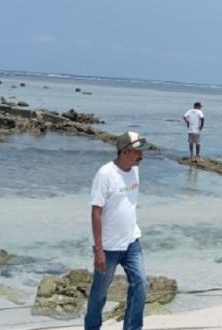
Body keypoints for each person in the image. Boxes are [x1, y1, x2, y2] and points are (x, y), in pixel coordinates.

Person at [84, 131, 148, 330]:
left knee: (141, 285)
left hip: (132, 242)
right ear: (126, 152)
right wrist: (99, 249)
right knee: (99, 294)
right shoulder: (105, 174)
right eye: (138, 152)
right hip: (108, 247)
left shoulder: (135, 170)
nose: (142, 156)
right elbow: (96, 212)